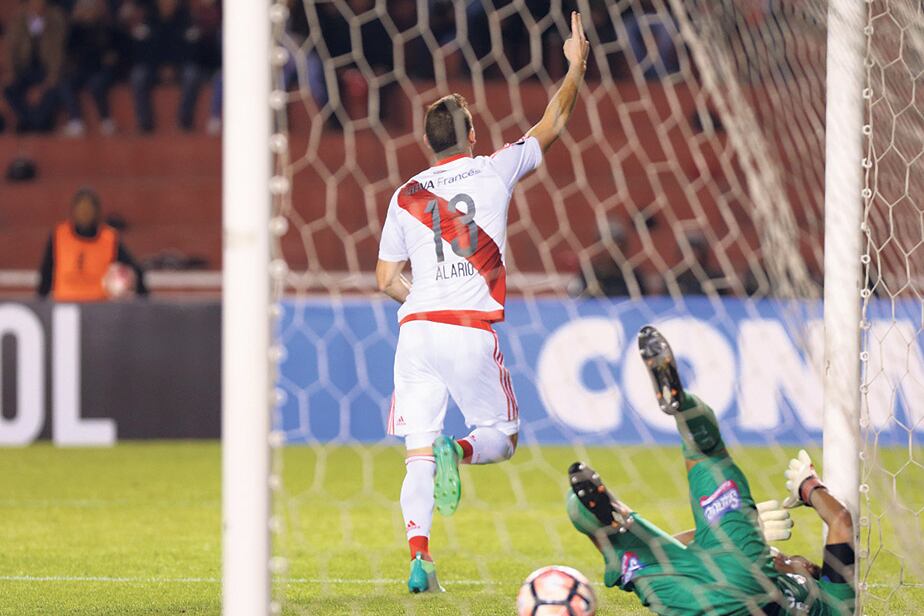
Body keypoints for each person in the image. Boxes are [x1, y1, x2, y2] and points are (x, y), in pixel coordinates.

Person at [375, 11, 589, 594]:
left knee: (415, 456)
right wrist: (574, 67)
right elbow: (554, 119)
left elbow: (384, 276)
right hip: (469, 330)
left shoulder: (405, 194)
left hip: (415, 330)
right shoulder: (495, 169)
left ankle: (419, 557)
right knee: (502, 436)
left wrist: (421, 294)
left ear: (426, 143)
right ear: (471, 136)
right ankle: (460, 449)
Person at [566, 326, 856, 614]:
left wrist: (809, 486)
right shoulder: (830, 608)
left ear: (806, 568)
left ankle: (681, 406)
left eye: (792, 558)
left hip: (749, 587)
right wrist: (722, 530)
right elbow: (676, 549)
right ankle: (611, 519)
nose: (782, 555)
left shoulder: (823, 596)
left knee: (707, 452)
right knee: (625, 544)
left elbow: (841, 520)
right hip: (689, 605)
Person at [37, 188, 149, 302]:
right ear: (74, 210)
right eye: (81, 208)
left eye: (89, 208)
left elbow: (135, 269)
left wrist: (145, 301)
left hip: (97, 306)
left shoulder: (109, 239)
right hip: (65, 304)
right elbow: (47, 271)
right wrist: (40, 300)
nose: (84, 213)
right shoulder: (59, 235)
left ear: (97, 211)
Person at [3, 0, 68, 133]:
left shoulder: (55, 21)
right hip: (25, 69)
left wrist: (43, 87)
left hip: (46, 70)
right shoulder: (19, 21)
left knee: (55, 89)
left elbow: (58, 57)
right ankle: (29, 121)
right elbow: (12, 49)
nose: (37, 6)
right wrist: (11, 73)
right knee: (8, 88)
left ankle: (37, 124)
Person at [60, 0, 119, 137]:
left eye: (90, 9)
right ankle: (76, 121)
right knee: (65, 83)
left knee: (96, 84)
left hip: (101, 70)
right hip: (82, 70)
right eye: (83, 9)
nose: (87, 13)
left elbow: (112, 53)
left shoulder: (107, 28)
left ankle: (106, 120)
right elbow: (68, 51)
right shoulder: (75, 30)